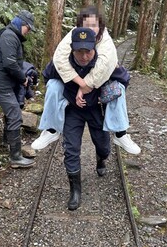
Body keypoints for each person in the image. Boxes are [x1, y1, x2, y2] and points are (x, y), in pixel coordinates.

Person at [31, 6, 140, 154]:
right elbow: (60, 59)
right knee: (53, 86)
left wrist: (84, 86)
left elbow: (102, 68)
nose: (91, 29)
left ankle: (120, 133)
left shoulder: (106, 43)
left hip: (99, 86)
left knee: (117, 89)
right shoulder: (71, 37)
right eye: (86, 25)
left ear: (100, 26)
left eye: (94, 25)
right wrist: (81, 84)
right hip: (74, 86)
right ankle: (51, 129)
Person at [43, 27, 130, 210]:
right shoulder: (63, 63)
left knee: (103, 145)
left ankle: (101, 157)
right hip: (72, 111)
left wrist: (107, 92)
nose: (84, 56)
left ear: (94, 49)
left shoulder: (103, 63)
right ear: (72, 49)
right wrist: (62, 93)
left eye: (88, 51)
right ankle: (75, 190)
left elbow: (124, 78)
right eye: (79, 51)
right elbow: (47, 76)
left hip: (95, 110)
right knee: (71, 148)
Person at [0, 10, 36, 168]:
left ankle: (7, 142)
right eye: (28, 28)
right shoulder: (9, 36)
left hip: (2, 81)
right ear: (21, 24)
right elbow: (10, 63)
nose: (28, 32)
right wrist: (23, 79)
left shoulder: (11, 36)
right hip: (0, 83)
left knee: (11, 111)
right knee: (15, 114)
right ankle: (15, 157)